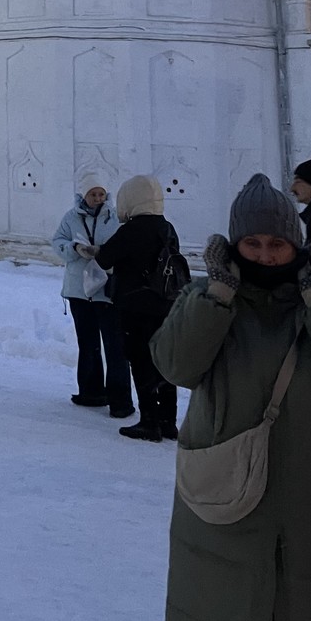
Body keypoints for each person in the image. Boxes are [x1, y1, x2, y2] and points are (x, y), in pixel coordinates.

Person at [152, 174, 311, 621]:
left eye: (277, 243)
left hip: (308, 509)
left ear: (297, 246)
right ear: (234, 246)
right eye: (252, 243)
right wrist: (219, 294)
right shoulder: (208, 300)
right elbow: (174, 365)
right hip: (222, 508)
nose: (266, 255)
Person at [94, 174, 179, 441]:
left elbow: (105, 257)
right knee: (164, 362)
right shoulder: (167, 227)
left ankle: (148, 421)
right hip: (167, 304)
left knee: (141, 361)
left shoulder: (132, 229)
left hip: (136, 305)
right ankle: (168, 421)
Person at [52, 171, 134, 417]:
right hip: (79, 291)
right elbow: (58, 242)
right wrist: (75, 248)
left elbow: (125, 246)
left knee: (115, 346)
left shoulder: (115, 218)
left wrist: (105, 253)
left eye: (100, 194)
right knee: (88, 344)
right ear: (83, 196)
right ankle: (91, 393)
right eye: (92, 194)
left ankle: (120, 401)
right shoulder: (71, 218)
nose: (97, 198)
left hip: (107, 291)